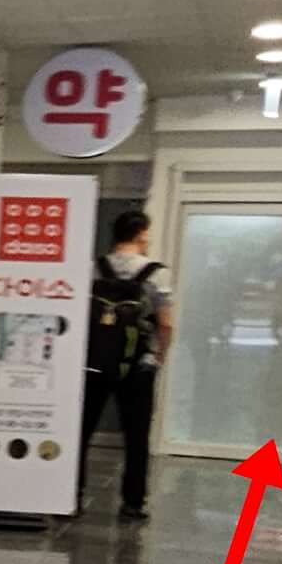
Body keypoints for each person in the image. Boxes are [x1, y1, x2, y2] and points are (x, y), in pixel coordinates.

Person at [82, 207, 173, 521]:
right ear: (141, 234)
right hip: (138, 364)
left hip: (94, 361)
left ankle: (72, 492)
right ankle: (133, 502)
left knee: (82, 430)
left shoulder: (94, 268)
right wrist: (160, 354)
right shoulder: (157, 273)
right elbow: (166, 322)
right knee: (136, 435)